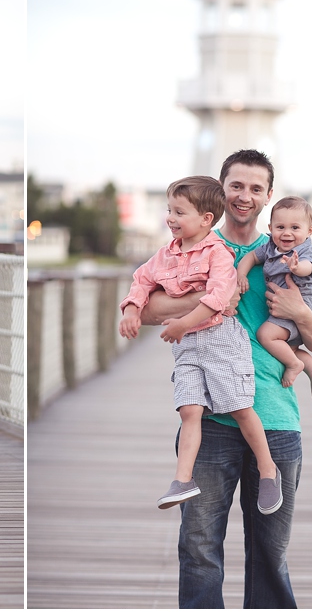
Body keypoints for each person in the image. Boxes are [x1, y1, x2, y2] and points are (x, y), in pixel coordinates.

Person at [140, 150, 312, 610]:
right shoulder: (196, 248)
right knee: (199, 548)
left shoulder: (285, 255)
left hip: (277, 419)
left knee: (270, 552)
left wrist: (298, 311)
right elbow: (148, 309)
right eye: (236, 186)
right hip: (211, 422)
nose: (244, 196)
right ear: (221, 190)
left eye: (255, 188)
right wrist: (213, 297)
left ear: (268, 197)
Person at [119, 177, 283, 515]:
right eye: (169, 210)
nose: (171, 218)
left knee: (238, 407)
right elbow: (142, 280)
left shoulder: (217, 253)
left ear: (206, 219)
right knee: (189, 409)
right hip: (188, 346)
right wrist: (133, 309)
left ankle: (268, 469)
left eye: (180, 212)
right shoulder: (166, 254)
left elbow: (220, 297)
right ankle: (183, 479)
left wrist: (182, 322)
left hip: (220, 338)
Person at [236, 196, 312, 400]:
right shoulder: (270, 247)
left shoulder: (306, 251)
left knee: (266, 336)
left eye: (295, 228)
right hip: (281, 313)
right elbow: (251, 257)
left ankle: (294, 365)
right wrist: (241, 275)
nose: (287, 233)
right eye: (280, 227)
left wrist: (296, 267)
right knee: (290, 348)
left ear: (309, 231)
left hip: (296, 310)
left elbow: (309, 268)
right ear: (270, 227)